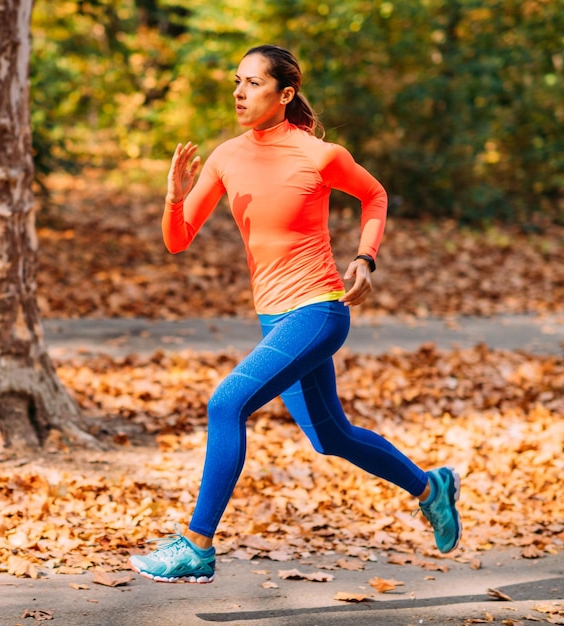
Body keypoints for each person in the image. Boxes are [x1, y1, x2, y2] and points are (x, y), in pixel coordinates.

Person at [129, 44, 461, 584]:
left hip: (318, 311)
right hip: (273, 317)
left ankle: (196, 546)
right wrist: (175, 197)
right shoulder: (225, 156)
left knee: (226, 403)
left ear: (285, 95)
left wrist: (365, 259)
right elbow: (177, 240)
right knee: (331, 437)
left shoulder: (318, 155)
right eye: (237, 81)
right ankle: (431, 488)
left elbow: (374, 195)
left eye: (253, 83)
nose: (239, 92)